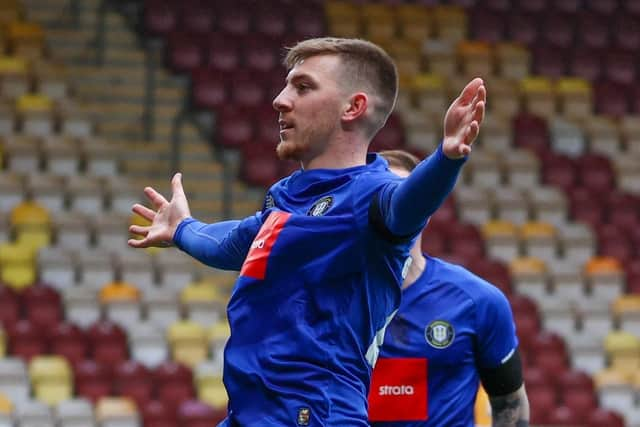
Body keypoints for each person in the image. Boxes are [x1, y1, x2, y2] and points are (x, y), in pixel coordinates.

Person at [128, 37, 486, 426]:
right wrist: (182, 228)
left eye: (302, 87)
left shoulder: (370, 196)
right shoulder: (285, 199)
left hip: (313, 415)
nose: (280, 100)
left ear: (354, 107)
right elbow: (232, 244)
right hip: (250, 414)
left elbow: (407, 206)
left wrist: (445, 160)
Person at [368, 150, 529, 427]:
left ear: (426, 210)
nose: (397, 209)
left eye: (407, 197)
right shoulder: (319, 301)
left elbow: (510, 404)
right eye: (383, 198)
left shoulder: (478, 301)